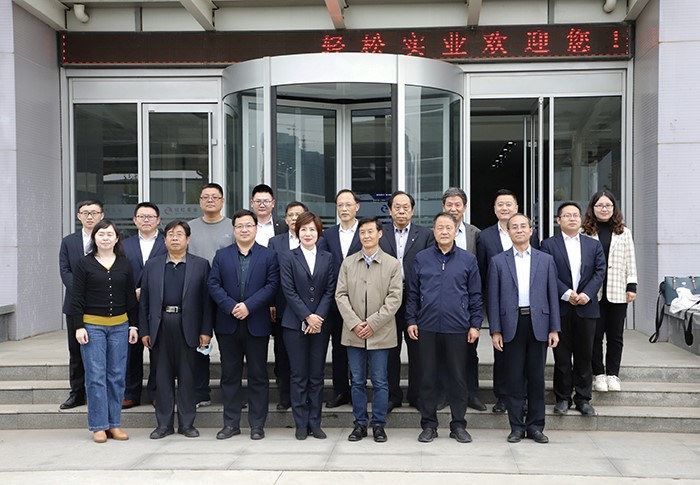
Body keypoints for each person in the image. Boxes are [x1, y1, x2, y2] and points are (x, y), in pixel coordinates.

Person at [406, 212, 483, 444]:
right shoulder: (422, 258)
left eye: (449, 227)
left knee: (457, 378)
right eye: (440, 227)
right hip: (427, 326)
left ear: (456, 230)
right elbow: (412, 293)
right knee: (428, 378)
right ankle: (429, 425)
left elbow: (475, 295)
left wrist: (475, 324)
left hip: (457, 327)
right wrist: (411, 320)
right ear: (434, 231)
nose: (444, 231)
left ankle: (458, 425)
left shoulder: (468, 259)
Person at [487, 213, 560, 444]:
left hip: (539, 324)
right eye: (514, 227)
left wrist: (554, 328)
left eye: (523, 226)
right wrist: (495, 330)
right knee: (514, 378)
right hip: (511, 325)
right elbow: (493, 299)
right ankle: (516, 427)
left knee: (537, 378)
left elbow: (552, 295)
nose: (519, 230)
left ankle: (536, 427)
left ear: (531, 230)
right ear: (508, 232)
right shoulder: (498, 261)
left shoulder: (545, 260)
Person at [208, 210, 279, 440]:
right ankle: (231, 424)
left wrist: (248, 306)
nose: (244, 230)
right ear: (234, 229)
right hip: (228, 324)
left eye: (249, 225)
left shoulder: (269, 255)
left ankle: (257, 425)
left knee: (258, 376)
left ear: (256, 228)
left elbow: (272, 285)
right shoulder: (222, 255)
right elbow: (213, 284)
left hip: (256, 323)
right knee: (230, 376)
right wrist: (231, 306)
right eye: (240, 226)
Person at [139, 220, 214, 439]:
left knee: (187, 378)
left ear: (187, 239)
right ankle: (163, 425)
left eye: (179, 234)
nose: (174, 238)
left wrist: (206, 331)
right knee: (162, 378)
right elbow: (144, 301)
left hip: (188, 325)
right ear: (164, 240)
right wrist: (145, 330)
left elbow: (207, 302)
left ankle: (187, 424)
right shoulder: (152, 265)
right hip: (160, 325)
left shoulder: (201, 265)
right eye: (170, 234)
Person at [70, 219, 139, 443]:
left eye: (110, 234)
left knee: (117, 376)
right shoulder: (84, 263)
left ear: (117, 238)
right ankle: (99, 426)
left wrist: (134, 325)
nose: (106, 238)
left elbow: (130, 297)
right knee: (95, 376)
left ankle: (114, 424)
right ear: (94, 238)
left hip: (120, 326)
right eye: (101, 234)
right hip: (92, 327)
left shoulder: (125, 264)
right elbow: (76, 297)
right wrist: (79, 326)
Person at [335, 217, 403, 443]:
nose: (366, 236)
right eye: (362, 232)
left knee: (380, 381)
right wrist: (355, 323)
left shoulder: (392, 264)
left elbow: (394, 299)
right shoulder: (348, 263)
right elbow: (340, 295)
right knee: (357, 381)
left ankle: (379, 424)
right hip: (353, 332)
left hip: (381, 332)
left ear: (379, 234)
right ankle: (360, 424)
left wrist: (372, 323)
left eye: (370, 231)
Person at [476, 189, 540, 413]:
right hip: (501, 303)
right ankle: (502, 397)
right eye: (500, 204)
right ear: (494, 209)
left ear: (516, 207)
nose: (504, 208)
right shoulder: (485, 237)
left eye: (508, 204)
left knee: (526, 355)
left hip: (527, 303)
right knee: (501, 352)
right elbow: (482, 270)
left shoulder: (529, 233)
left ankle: (524, 396)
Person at [541, 202, 606, 417]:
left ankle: (583, 398)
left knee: (584, 355)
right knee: (561, 356)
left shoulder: (593, 245)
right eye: (567, 215)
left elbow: (600, 271)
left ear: (581, 219)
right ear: (558, 220)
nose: (572, 219)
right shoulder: (548, 245)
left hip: (587, 307)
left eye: (575, 215)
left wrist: (587, 294)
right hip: (560, 307)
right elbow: (547, 272)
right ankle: (562, 398)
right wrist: (567, 293)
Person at [279, 211, 336, 440]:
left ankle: (315, 422)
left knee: (316, 375)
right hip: (294, 325)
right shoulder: (287, 257)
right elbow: (288, 290)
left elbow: (330, 289)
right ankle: (301, 424)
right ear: (297, 232)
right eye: (303, 229)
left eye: (312, 229)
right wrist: (306, 316)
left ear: (318, 232)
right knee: (298, 375)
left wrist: (318, 316)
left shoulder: (327, 257)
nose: (308, 233)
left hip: (320, 325)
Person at [378, 191, 434, 411]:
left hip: (416, 299)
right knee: (390, 349)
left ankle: (416, 395)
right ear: (390, 210)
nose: (401, 211)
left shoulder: (425, 235)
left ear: (412, 210)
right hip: (387, 299)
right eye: (397, 207)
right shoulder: (381, 233)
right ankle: (393, 395)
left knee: (417, 350)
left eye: (406, 207)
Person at [582, 191, 638, 392]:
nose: (604, 209)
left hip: (617, 290)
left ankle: (613, 374)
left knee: (615, 336)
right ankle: (598, 374)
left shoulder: (624, 232)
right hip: (592, 292)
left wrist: (632, 285)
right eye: (599, 205)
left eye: (608, 205)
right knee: (595, 336)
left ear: (614, 208)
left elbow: (630, 260)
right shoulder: (584, 232)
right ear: (593, 208)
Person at [188, 182, 233, 408]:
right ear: (200, 201)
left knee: (229, 347)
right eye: (205, 197)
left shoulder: (233, 226)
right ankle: (200, 392)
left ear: (222, 201)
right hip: (196, 293)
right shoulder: (189, 227)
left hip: (227, 294)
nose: (210, 200)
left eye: (215, 197)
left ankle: (231, 394)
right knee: (198, 343)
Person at [441, 187, 485, 412]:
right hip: (442, 303)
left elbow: (481, 268)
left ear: (465, 208)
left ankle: (471, 394)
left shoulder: (475, 234)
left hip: (466, 304)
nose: (453, 208)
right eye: (449, 204)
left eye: (458, 205)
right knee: (443, 353)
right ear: (443, 207)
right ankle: (445, 394)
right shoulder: (436, 232)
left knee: (469, 352)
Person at [59, 199, 104, 410]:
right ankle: (77, 393)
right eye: (85, 213)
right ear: (78, 216)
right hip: (75, 304)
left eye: (94, 212)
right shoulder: (69, 242)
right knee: (76, 351)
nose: (89, 216)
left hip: (103, 305)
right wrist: (81, 291)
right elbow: (65, 270)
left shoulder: (109, 238)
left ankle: (101, 393)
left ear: (102, 215)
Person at [317, 189, 361, 408]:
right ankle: (340, 391)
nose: (344, 209)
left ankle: (359, 390)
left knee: (360, 347)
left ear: (357, 207)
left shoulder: (366, 231)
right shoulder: (328, 235)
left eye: (348, 205)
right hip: (335, 302)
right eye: (340, 205)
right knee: (338, 348)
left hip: (361, 300)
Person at [121, 202, 166, 409]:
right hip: (132, 304)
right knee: (132, 350)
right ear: (134, 220)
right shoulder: (124, 245)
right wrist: (132, 292)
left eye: (150, 216)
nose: (146, 220)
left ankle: (156, 392)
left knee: (158, 350)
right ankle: (131, 393)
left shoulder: (167, 242)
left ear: (158, 220)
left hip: (159, 303)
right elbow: (119, 272)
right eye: (141, 216)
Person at [268, 201, 308, 411]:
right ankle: (285, 396)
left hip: (309, 308)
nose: (294, 218)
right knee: (283, 354)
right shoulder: (276, 242)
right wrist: (272, 302)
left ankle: (305, 396)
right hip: (282, 306)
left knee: (306, 356)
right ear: (285, 219)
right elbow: (271, 274)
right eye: (290, 215)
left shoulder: (316, 240)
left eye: (298, 214)